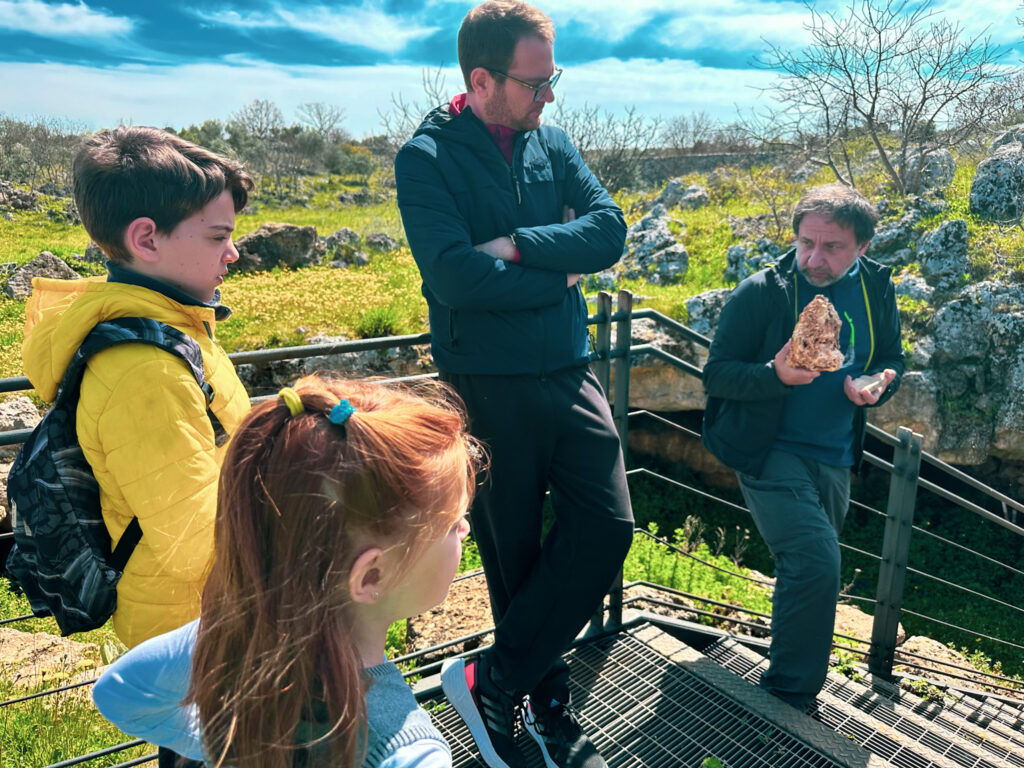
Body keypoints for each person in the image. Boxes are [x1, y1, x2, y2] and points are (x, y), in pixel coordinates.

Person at [394, 3, 633, 767]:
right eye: (537, 83)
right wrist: (559, 271)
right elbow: (455, 279)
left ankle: (493, 676)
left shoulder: (551, 143)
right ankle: (540, 710)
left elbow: (610, 231)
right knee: (515, 553)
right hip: (485, 380)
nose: (550, 97)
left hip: (566, 368)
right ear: (482, 79)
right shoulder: (426, 157)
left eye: (551, 78)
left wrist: (517, 247)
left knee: (608, 526)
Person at [93, 376, 480, 767]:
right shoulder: (409, 750)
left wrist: (227, 747)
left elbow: (119, 690)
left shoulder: (238, 643)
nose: (465, 529)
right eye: (453, 524)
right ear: (371, 577)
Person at [21, 126, 252, 650]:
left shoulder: (171, 325)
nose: (233, 252)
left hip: (209, 614)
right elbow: (196, 543)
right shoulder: (143, 368)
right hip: (201, 631)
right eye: (219, 236)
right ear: (146, 239)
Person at [702, 182, 904, 710]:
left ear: (862, 247)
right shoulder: (761, 291)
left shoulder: (876, 290)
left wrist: (876, 385)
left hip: (835, 455)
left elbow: (891, 360)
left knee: (804, 567)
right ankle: (788, 699)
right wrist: (775, 375)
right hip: (768, 449)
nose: (812, 258)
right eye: (804, 242)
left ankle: (784, 672)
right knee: (815, 562)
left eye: (831, 246)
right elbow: (717, 375)